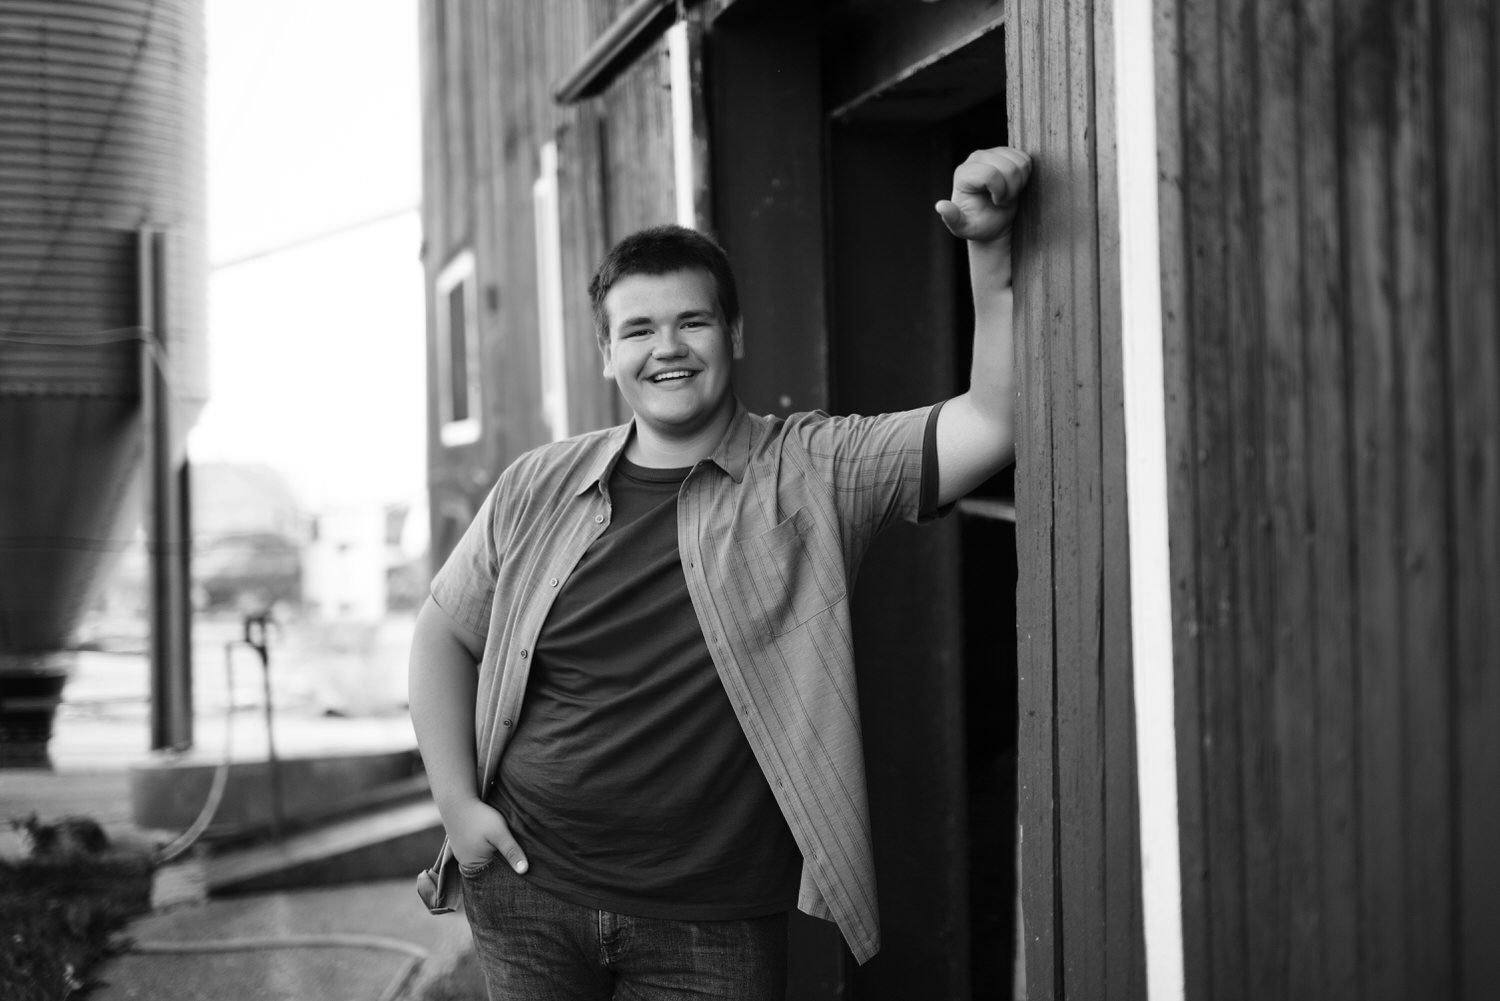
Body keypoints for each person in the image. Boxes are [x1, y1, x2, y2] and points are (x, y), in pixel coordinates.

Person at [409, 145, 1032, 999]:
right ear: (606, 354)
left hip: (710, 920)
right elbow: (444, 630)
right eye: (637, 329)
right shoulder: (538, 484)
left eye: (692, 322)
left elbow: (992, 423)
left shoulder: (816, 468)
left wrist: (987, 247)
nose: (667, 348)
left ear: (733, 333)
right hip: (528, 891)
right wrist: (457, 807)